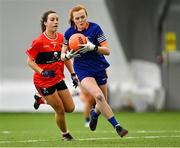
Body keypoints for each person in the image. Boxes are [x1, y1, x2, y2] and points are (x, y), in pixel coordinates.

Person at [61, 5, 128, 137]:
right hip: (83, 70)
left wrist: (93, 47)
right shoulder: (69, 33)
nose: (80, 20)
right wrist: (68, 56)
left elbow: (107, 50)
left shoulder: (95, 28)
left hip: (99, 67)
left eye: (82, 17)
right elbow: (62, 55)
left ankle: (94, 114)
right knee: (98, 96)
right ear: (73, 20)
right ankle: (117, 126)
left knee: (102, 101)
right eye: (77, 18)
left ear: (86, 16)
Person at [26, 10, 78, 141]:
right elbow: (30, 62)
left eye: (57, 19)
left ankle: (41, 100)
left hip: (58, 78)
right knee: (59, 109)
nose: (56, 22)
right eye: (52, 19)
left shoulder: (62, 38)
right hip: (43, 81)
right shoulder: (39, 42)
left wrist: (73, 74)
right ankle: (65, 134)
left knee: (70, 108)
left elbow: (65, 58)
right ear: (45, 23)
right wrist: (42, 71)